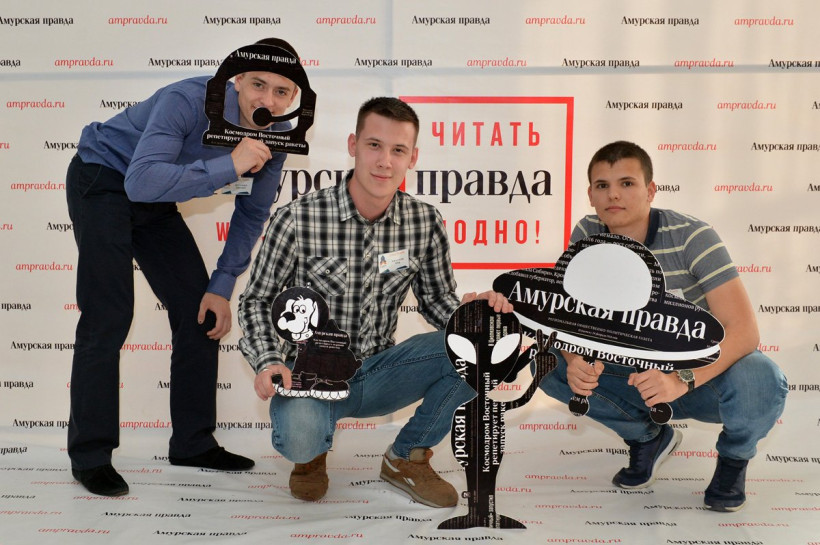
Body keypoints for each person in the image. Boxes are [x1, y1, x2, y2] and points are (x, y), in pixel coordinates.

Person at [238, 97, 512, 508]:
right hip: (313, 377)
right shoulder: (298, 217)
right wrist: (268, 360)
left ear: (412, 158)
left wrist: (472, 317)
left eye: (398, 150)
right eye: (374, 145)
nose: (385, 161)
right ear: (353, 145)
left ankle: (406, 458)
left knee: (483, 344)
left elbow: (436, 299)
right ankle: (310, 456)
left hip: (384, 373)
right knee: (299, 436)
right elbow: (257, 300)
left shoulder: (424, 221)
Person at [65, 38, 301, 497]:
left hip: (155, 201)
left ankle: (193, 443)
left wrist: (222, 284)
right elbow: (140, 180)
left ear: (294, 96)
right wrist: (231, 163)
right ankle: (90, 456)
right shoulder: (188, 100)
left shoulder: (279, 132)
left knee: (200, 311)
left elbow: (253, 212)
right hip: (103, 176)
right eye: (258, 84)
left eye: (281, 91)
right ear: (237, 79)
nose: (268, 101)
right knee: (108, 314)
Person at [539, 141, 788, 512]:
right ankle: (648, 438)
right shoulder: (587, 234)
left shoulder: (691, 236)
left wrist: (680, 379)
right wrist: (575, 360)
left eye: (627, 183)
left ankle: (733, 460)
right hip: (632, 373)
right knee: (548, 361)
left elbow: (744, 331)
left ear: (651, 190)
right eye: (603, 185)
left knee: (761, 376)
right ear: (590, 194)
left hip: (700, 376)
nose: (613, 195)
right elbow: (567, 318)